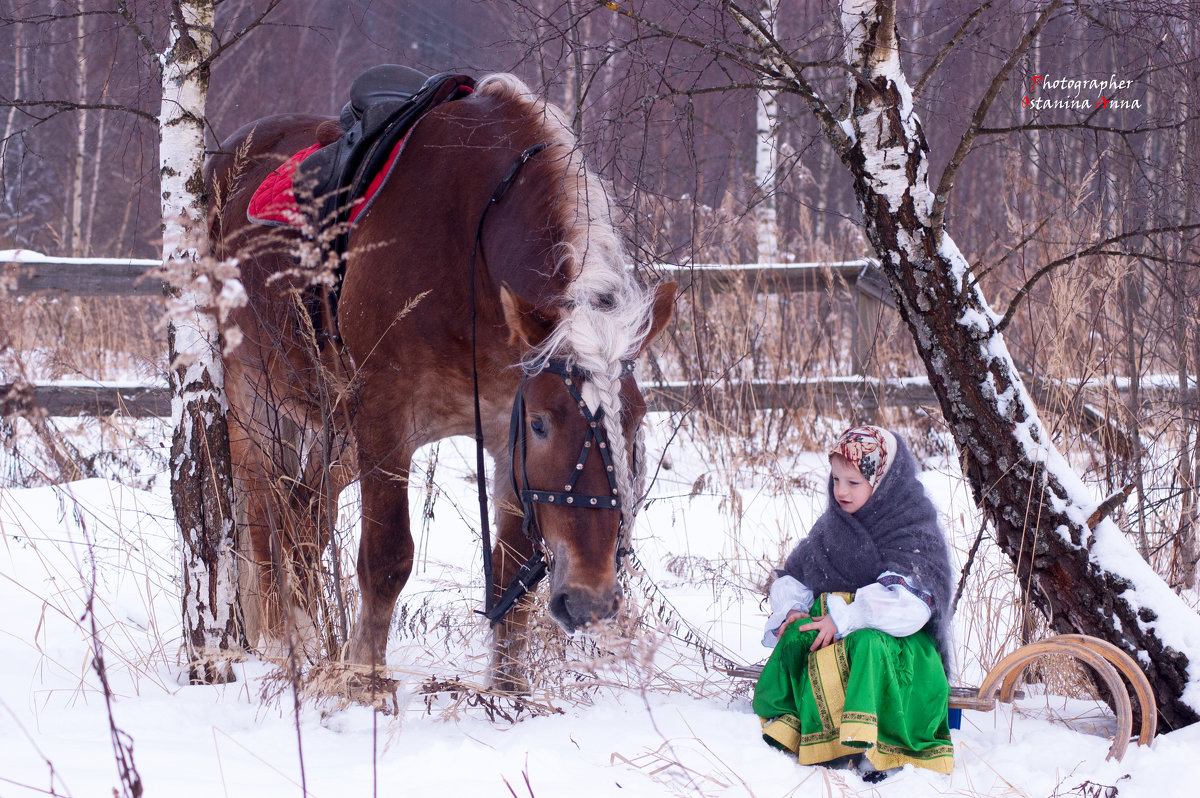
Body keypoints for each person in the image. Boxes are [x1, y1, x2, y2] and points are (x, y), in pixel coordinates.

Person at [753, 425, 955, 779]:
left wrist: (848, 617)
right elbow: (795, 577)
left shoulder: (911, 522)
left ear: (882, 482)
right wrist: (793, 610)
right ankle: (796, 728)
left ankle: (875, 747)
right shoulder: (832, 526)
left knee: (865, 644)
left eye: (854, 482)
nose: (841, 492)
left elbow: (913, 605)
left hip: (896, 645)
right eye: (835, 480)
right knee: (801, 631)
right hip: (837, 631)